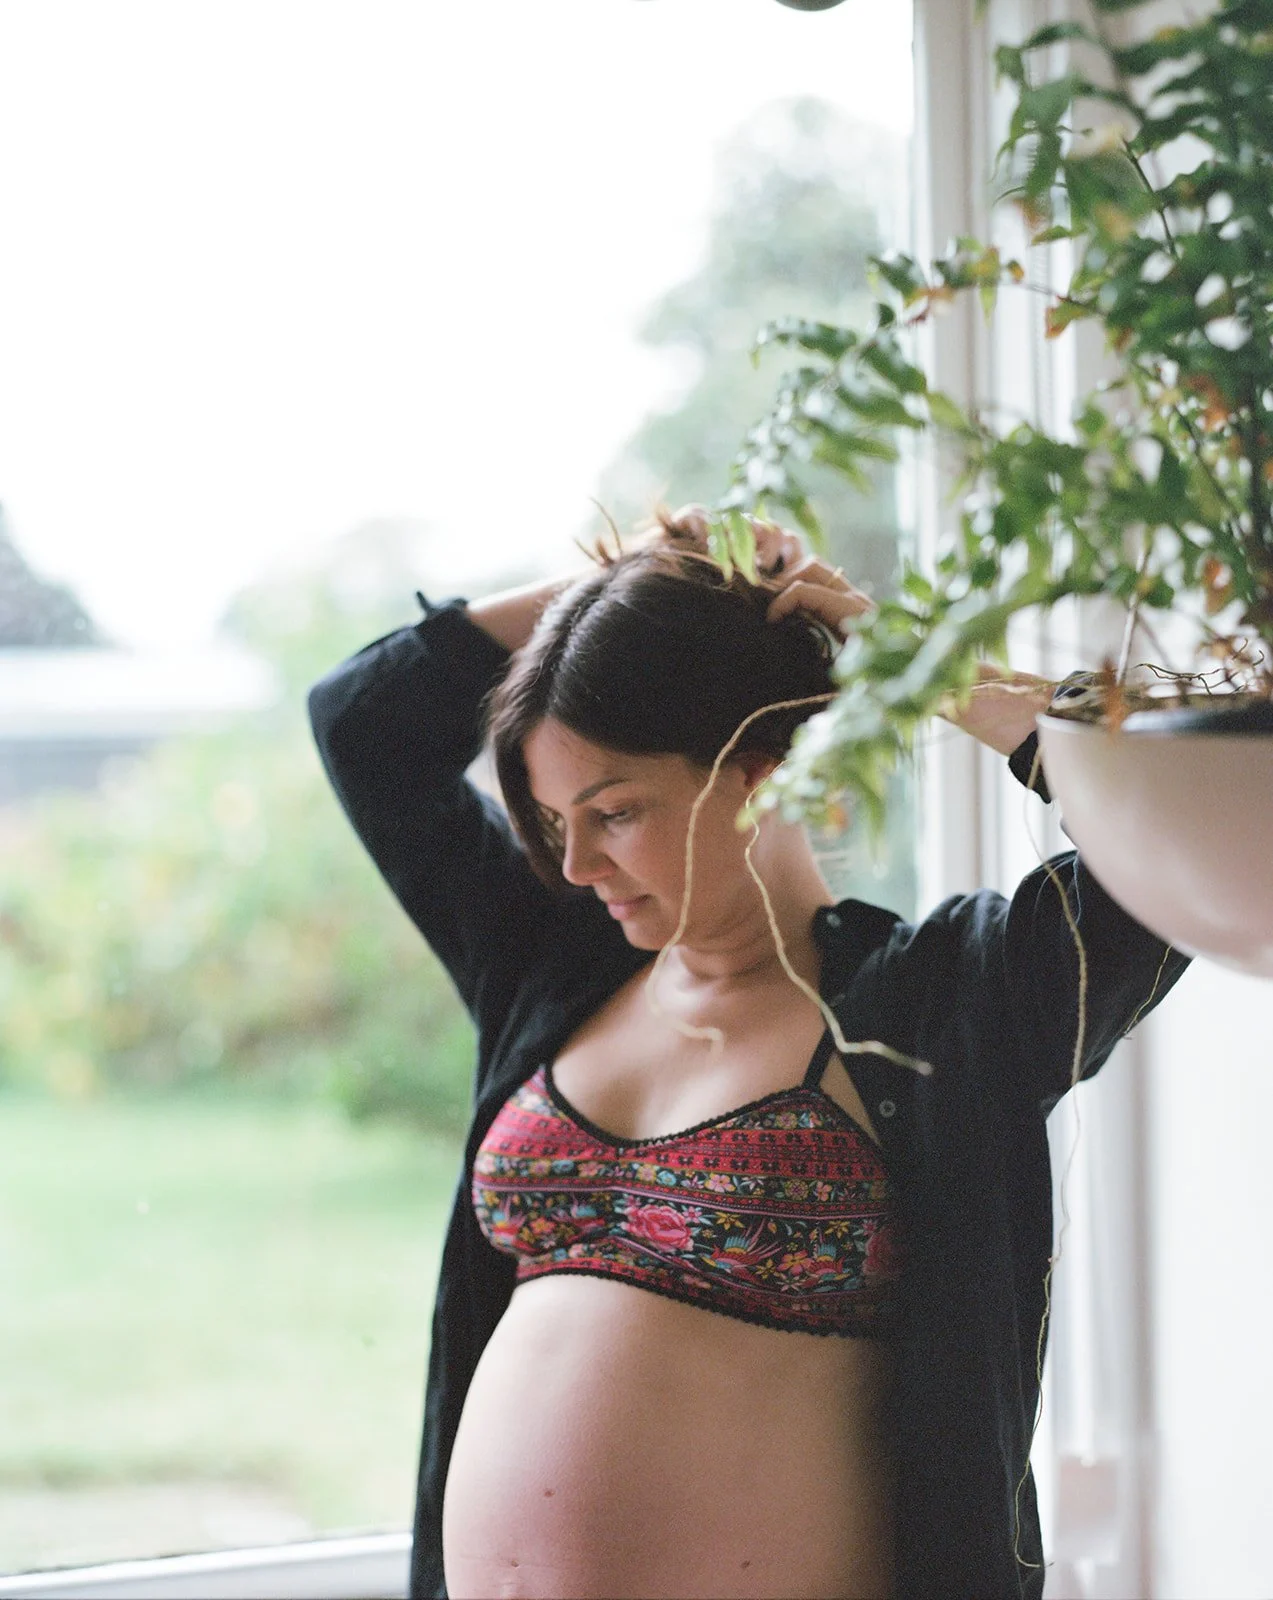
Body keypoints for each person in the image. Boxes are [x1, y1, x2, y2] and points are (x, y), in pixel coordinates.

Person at [308, 509, 1190, 1600]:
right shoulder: (546, 967)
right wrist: (631, 586)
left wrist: (899, 656)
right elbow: (361, 722)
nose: (575, 862)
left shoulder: (945, 1006)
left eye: (615, 811)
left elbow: (1183, 824)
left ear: (762, 769)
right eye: (550, 819)